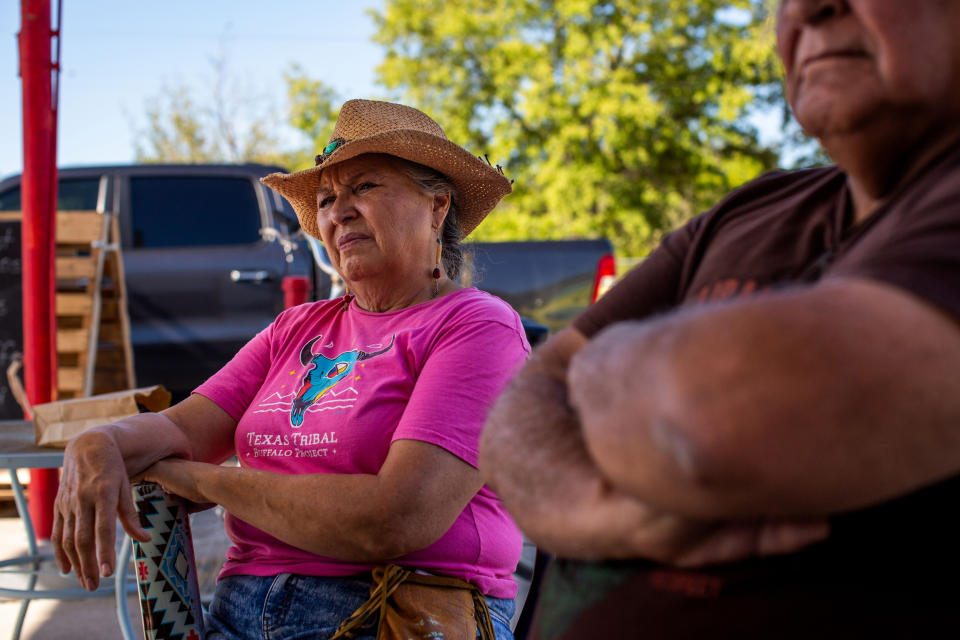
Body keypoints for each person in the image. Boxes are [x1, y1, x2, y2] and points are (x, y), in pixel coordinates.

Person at [480, 0, 960, 637]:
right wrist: (611, 512)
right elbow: (513, 416)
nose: (811, 10)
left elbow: (704, 410)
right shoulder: (755, 207)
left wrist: (592, 367)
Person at [53, 99, 530, 640]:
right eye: (326, 199)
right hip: (238, 610)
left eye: (365, 187)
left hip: (395, 611)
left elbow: (395, 519)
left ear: (437, 205)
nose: (339, 211)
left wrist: (206, 481)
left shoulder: (476, 326)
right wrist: (99, 443)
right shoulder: (297, 328)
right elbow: (184, 428)